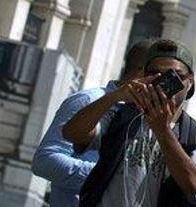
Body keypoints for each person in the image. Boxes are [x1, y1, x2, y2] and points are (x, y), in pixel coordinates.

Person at [63, 39, 196, 207]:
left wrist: (162, 130)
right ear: (144, 77)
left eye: (176, 76)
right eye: (155, 74)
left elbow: (194, 184)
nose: (164, 82)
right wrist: (115, 96)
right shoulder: (121, 116)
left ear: (190, 83)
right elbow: (72, 134)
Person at [31, 39, 154, 206]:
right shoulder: (88, 101)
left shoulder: (151, 118)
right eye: (161, 75)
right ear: (143, 73)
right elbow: (45, 161)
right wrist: (108, 176)